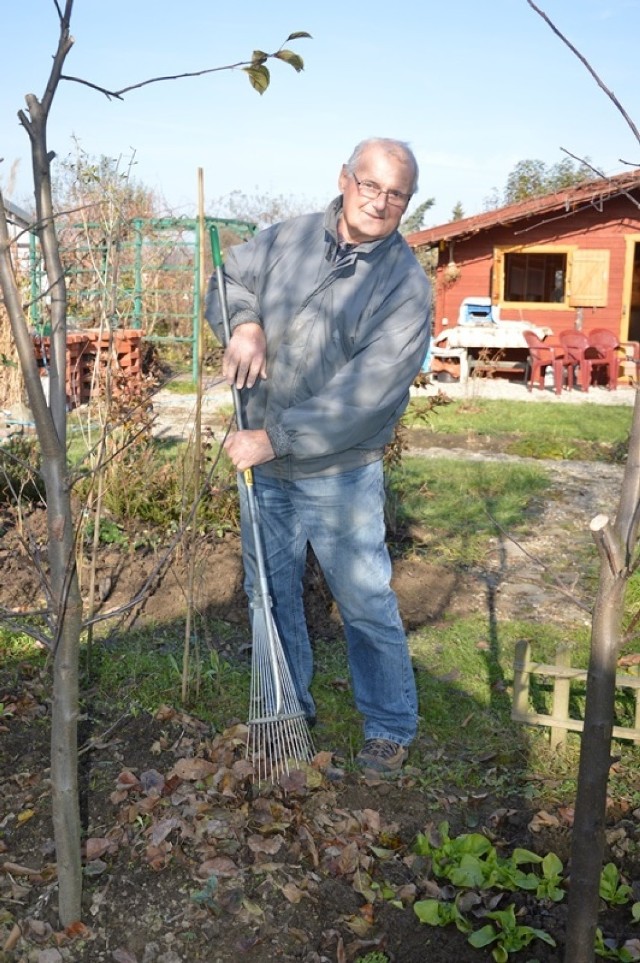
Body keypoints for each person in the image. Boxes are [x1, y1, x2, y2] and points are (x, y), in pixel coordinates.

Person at [206, 137, 432, 775]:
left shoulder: (404, 288)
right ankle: (284, 715)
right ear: (344, 178)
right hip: (266, 466)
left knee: (363, 599)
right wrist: (244, 324)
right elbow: (228, 283)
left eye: (397, 194)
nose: (381, 202)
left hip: (339, 471)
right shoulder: (289, 239)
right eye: (371, 185)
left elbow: (367, 393)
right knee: (268, 594)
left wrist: (275, 438)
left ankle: (390, 724)